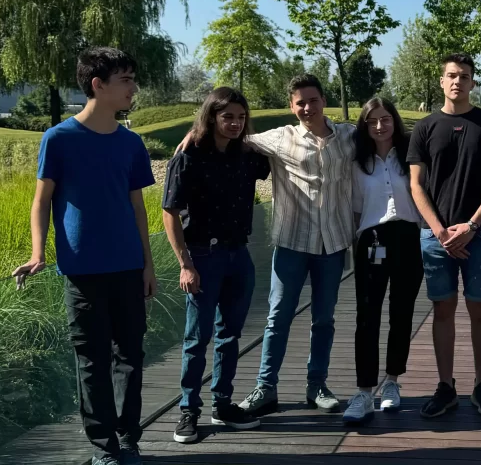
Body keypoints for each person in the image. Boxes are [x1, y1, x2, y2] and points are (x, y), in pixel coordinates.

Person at [13, 47, 155, 465]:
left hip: (128, 267)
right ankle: (103, 449)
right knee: (92, 362)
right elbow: (41, 201)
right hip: (83, 271)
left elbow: (138, 208)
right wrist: (38, 253)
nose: (133, 88)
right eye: (125, 79)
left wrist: (148, 265)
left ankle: (128, 441)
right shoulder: (59, 139)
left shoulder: (131, 143)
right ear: (98, 84)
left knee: (130, 358)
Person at [175, 74, 355, 416]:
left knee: (324, 319)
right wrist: (192, 134)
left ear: (323, 100)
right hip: (291, 243)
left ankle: (317, 385)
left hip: (332, 243)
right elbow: (228, 132)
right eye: (300, 102)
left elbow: (384, 135)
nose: (307, 108)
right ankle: (266, 387)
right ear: (291, 106)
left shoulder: (348, 136)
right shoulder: (279, 138)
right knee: (277, 318)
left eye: (313, 100)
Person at [162, 88, 270, 443]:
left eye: (241, 117)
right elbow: (170, 212)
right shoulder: (189, 157)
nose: (235, 123)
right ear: (211, 117)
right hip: (202, 257)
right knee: (197, 338)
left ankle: (221, 403)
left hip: (239, 255)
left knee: (230, 335)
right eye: (227, 117)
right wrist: (185, 264)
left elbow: (281, 151)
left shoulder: (248, 156)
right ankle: (188, 410)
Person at [408, 53, 481, 419]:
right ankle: (445, 386)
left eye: (464, 76)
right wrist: (439, 231)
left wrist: (471, 226)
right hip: (435, 237)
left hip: (479, 234)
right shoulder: (424, 128)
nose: (457, 81)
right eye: (451, 75)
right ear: (441, 81)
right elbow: (416, 185)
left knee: (480, 310)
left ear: (472, 82)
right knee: (443, 310)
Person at [343, 97, 424, 424]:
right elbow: (355, 208)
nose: (379, 126)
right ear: (364, 125)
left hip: (408, 237)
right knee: (367, 316)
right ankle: (364, 391)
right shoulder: (357, 161)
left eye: (385, 119)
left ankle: (391, 381)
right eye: (372, 121)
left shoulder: (411, 155)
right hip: (372, 239)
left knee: (401, 313)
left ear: (395, 121)